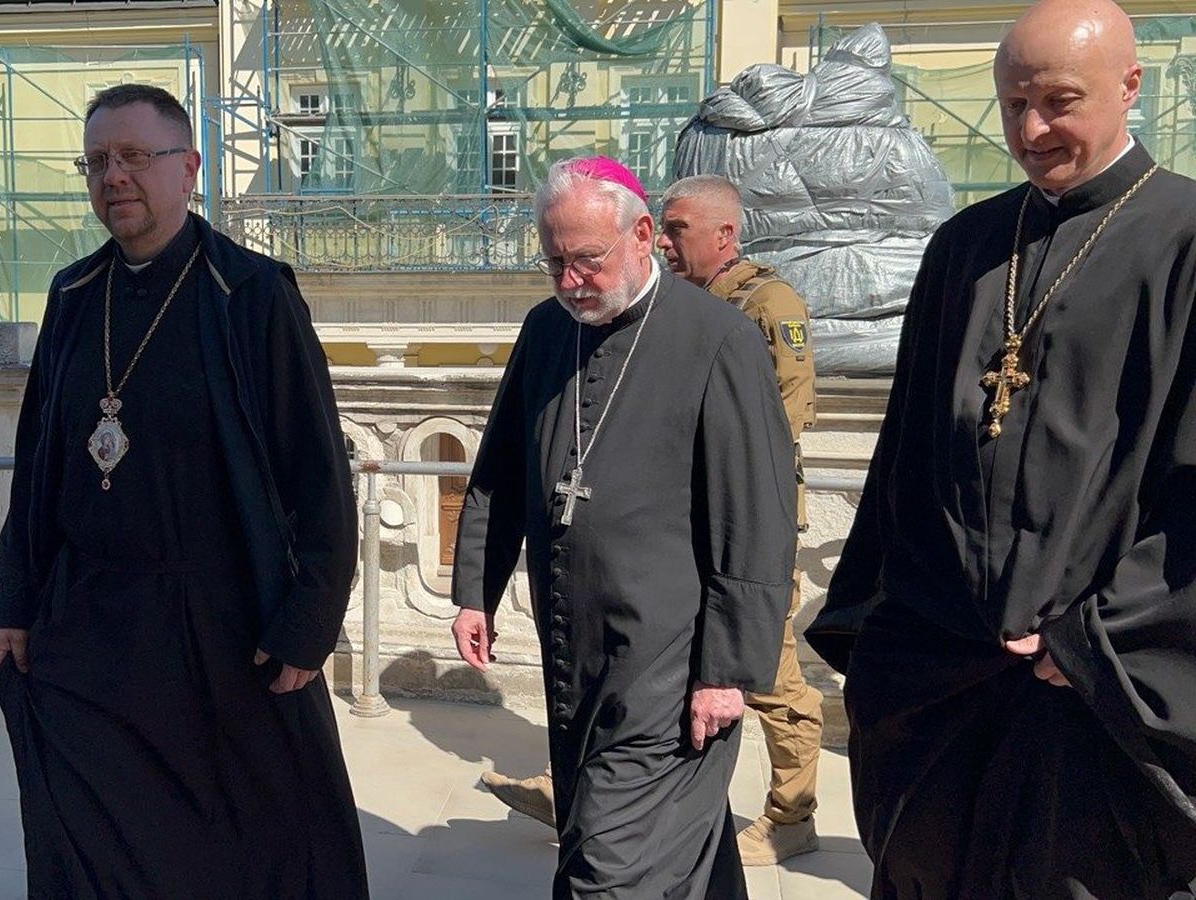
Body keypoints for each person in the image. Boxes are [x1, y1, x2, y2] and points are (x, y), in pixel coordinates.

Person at [805, 2, 1196, 896]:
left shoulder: (1185, 242)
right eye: (1013, 104)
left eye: (1059, 101)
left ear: (1129, 87)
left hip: (1096, 705)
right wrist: (886, 638)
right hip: (944, 686)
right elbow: (906, 461)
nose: (1031, 130)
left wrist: (1094, 641)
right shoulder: (965, 248)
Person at [0, 83, 368, 899]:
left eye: (134, 157)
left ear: (188, 168)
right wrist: (13, 605)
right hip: (88, 624)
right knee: (88, 840)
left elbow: (317, 472)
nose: (114, 177)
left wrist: (308, 621)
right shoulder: (72, 295)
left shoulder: (251, 292)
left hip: (219, 627)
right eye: (97, 162)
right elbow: (37, 466)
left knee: (239, 843)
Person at [451, 156, 796, 899]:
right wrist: (476, 588)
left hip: (670, 663)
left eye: (586, 260)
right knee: (667, 848)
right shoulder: (548, 330)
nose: (571, 281)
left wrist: (728, 671)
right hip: (574, 647)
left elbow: (757, 515)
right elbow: (501, 465)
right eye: (554, 262)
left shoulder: (719, 339)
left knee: (606, 873)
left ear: (643, 236)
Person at [658, 174, 824, 866]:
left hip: (749, 519)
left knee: (769, 665)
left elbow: (782, 420)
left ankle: (793, 814)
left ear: (725, 234)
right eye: (661, 229)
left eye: (678, 230)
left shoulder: (768, 303)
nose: (663, 243)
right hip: (678, 519)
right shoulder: (672, 304)